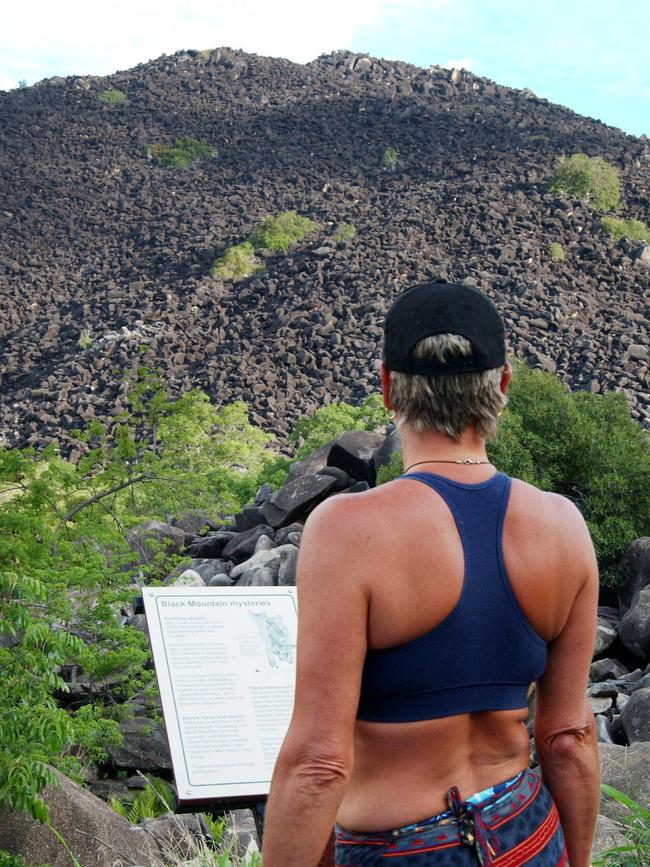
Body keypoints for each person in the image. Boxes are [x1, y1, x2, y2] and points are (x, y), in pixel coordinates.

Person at [261, 281, 600, 867]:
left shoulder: (348, 530)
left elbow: (319, 763)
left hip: (401, 848)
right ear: (503, 385)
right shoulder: (563, 526)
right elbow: (569, 737)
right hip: (526, 830)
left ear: (389, 387)